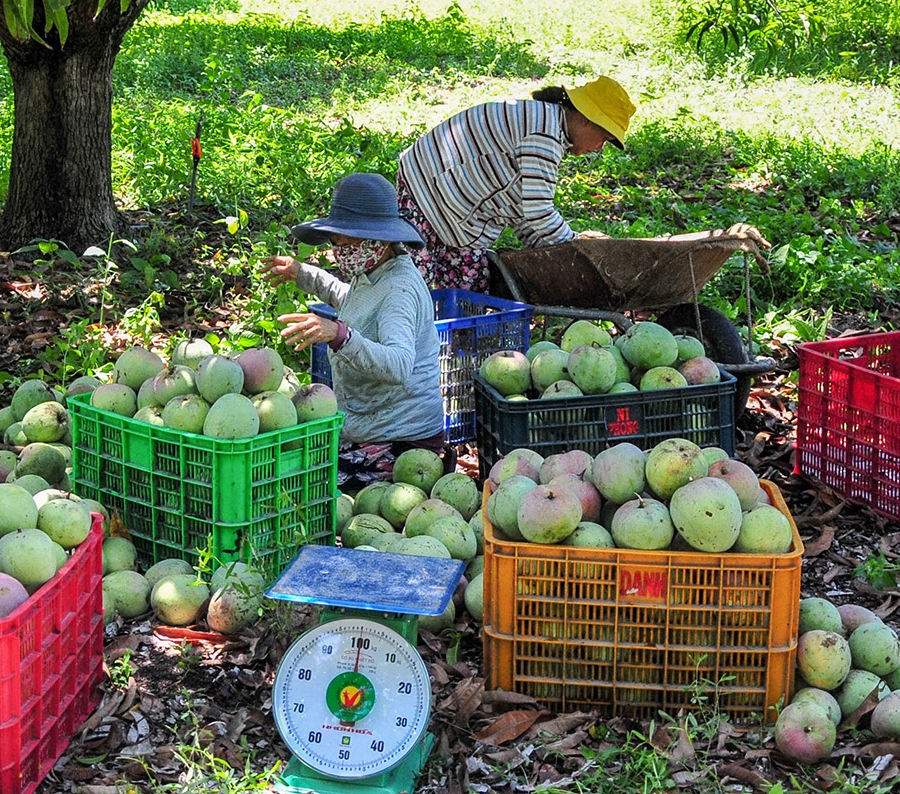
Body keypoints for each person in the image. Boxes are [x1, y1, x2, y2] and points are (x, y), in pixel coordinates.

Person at [264, 173, 447, 488]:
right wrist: (303, 274)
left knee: (309, 487)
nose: (342, 250)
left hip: (403, 441)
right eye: (338, 242)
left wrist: (339, 335)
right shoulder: (372, 269)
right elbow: (352, 301)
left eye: (352, 243)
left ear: (382, 240)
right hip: (367, 425)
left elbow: (400, 364)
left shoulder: (398, 289)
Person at [395, 76, 636, 294]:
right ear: (586, 119)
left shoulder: (548, 125)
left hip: (456, 203)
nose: (599, 148)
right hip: (426, 187)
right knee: (415, 286)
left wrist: (546, 247)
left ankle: (452, 341)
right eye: (604, 138)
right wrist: (577, 247)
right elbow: (539, 211)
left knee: (471, 291)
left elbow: (523, 207)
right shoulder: (545, 133)